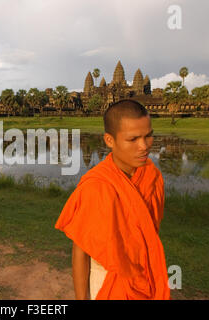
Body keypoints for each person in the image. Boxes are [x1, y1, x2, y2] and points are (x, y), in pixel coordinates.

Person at [55, 99, 170, 300]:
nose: (144, 146)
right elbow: (81, 252)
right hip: (107, 278)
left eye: (148, 136)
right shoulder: (96, 186)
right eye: (133, 139)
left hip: (147, 274)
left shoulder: (152, 177)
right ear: (109, 140)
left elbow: (149, 234)